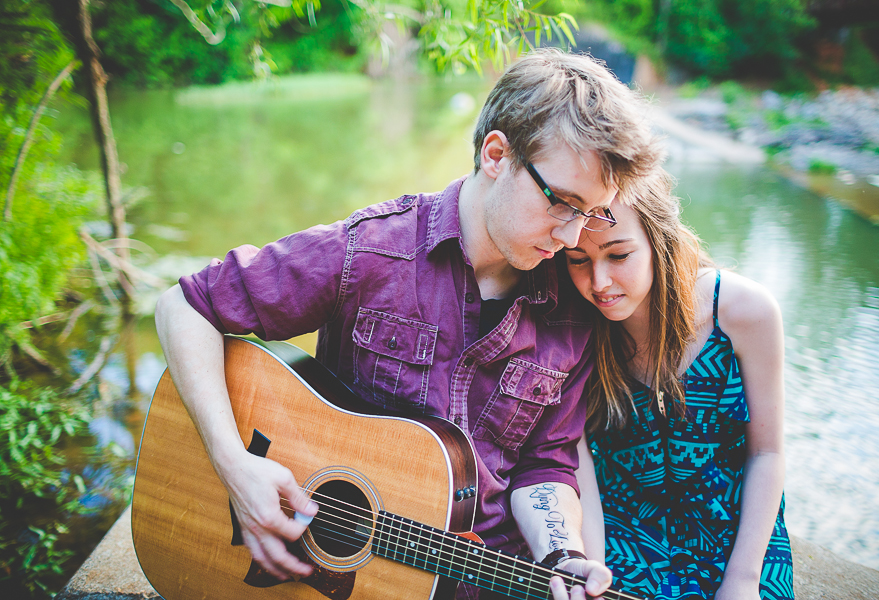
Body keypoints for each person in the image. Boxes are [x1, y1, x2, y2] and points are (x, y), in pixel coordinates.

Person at [154, 48, 661, 600]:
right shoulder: (372, 252)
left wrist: (562, 554)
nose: (571, 237)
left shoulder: (572, 305)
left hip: (487, 576)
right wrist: (234, 466)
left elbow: (544, 463)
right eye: (562, 202)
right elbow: (186, 306)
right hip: (345, 577)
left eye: (590, 213)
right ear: (497, 155)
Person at [566, 168, 794, 600]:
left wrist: (743, 579)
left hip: (736, 533)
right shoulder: (571, 330)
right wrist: (593, 571)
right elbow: (579, 465)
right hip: (624, 537)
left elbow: (767, 453)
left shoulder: (745, 312)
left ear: (660, 240)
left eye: (619, 255)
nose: (599, 282)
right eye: (578, 260)